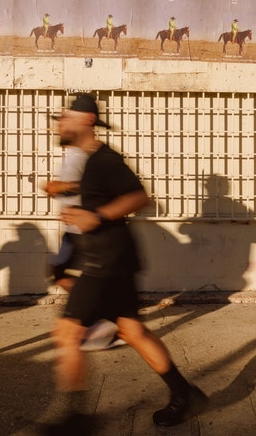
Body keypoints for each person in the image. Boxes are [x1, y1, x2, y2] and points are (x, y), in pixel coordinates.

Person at [47, 94, 207, 431]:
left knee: (66, 335)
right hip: (112, 259)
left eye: (66, 116)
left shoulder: (105, 159)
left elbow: (139, 196)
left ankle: (75, 422)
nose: (60, 123)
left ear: (87, 120)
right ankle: (184, 394)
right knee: (133, 331)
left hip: (104, 262)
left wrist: (95, 215)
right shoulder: (91, 160)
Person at [41, 113, 122, 351]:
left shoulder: (79, 156)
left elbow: (90, 185)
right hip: (72, 227)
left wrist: (61, 186)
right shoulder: (71, 155)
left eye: (60, 124)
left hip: (80, 229)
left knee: (65, 275)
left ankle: (102, 318)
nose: (56, 129)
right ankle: (104, 317)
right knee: (60, 274)